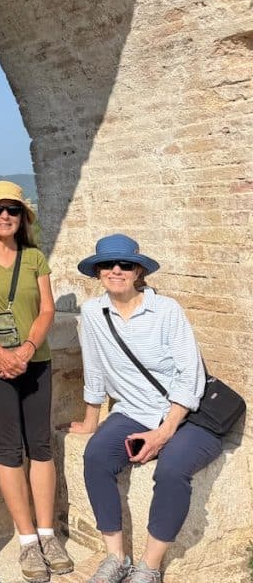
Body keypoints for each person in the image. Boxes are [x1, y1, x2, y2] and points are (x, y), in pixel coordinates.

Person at [68, 234, 222, 583]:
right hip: (133, 410)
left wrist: (164, 432)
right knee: (96, 457)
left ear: (138, 271)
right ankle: (116, 558)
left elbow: (190, 373)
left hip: (187, 415)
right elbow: (94, 369)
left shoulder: (166, 310)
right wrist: (91, 420)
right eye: (107, 264)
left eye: (125, 264)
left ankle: (149, 567)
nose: (116, 270)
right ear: (97, 271)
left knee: (171, 470)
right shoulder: (92, 313)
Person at [0, 182, 73, 582]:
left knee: (40, 446)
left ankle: (47, 535)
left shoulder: (34, 258)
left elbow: (47, 309)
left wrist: (25, 350)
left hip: (35, 360)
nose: (4, 216)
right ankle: (27, 540)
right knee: (9, 448)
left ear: (22, 218)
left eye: (12, 209)